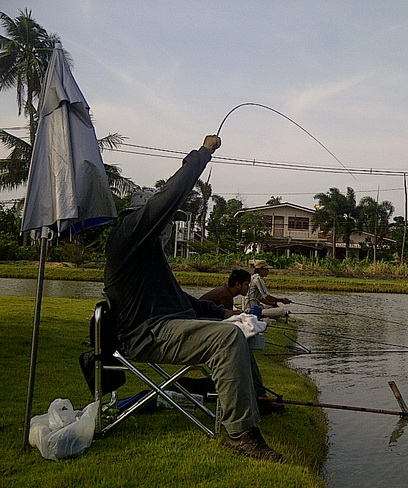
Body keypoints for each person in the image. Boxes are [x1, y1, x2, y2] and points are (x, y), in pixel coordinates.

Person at [103, 135, 281, 462]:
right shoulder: (129, 235)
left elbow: (180, 299)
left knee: (236, 330)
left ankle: (254, 401)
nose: (168, 225)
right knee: (226, 340)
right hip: (147, 334)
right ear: (143, 216)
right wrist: (204, 153)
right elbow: (171, 194)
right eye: (164, 219)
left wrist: (222, 313)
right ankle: (239, 434)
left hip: (166, 325)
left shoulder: (148, 255)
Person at [200, 269, 285, 414]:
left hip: (208, 332)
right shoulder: (224, 295)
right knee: (244, 352)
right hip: (205, 336)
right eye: (246, 284)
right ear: (238, 285)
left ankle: (258, 396)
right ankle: (259, 398)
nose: (248, 288)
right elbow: (226, 323)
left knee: (245, 351)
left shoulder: (225, 293)